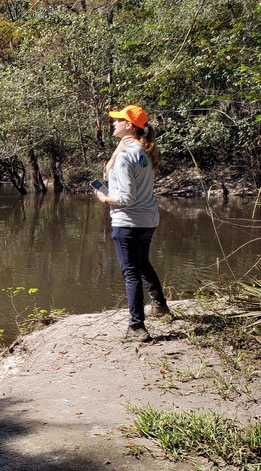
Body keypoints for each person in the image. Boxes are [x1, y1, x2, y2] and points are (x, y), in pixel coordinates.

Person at [94, 104, 169, 342]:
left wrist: (105, 198)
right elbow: (113, 176)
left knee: (131, 273)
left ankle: (137, 327)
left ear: (129, 125)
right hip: (148, 220)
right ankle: (160, 306)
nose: (113, 123)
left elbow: (126, 197)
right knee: (142, 263)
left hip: (128, 222)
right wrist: (116, 153)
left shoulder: (127, 155)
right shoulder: (143, 150)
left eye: (118, 120)